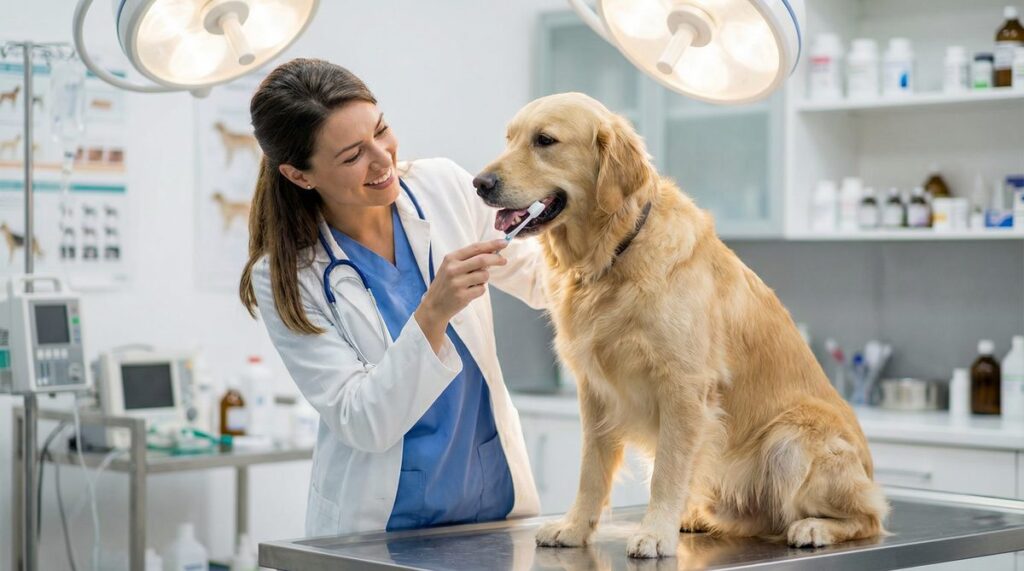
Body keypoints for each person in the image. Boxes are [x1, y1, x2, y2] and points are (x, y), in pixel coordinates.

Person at [238, 58, 546, 536]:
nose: (383, 159)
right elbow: (363, 421)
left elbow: (544, 279)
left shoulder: (442, 186)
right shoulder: (287, 276)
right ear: (300, 175)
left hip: (492, 506)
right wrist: (432, 313)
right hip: (383, 529)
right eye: (352, 155)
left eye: (381, 130)